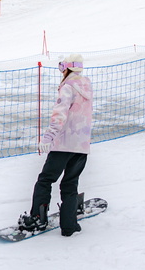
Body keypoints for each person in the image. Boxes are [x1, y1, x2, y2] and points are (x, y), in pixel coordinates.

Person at [19, 54, 94, 237]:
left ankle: (38, 218)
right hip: (81, 146)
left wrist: (48, 138)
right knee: (70, 183)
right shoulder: (87, 86)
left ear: (66, 68)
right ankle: (69, 225)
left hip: (63, 145)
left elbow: (59, 115)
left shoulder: (68, 88)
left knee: (45, 180)